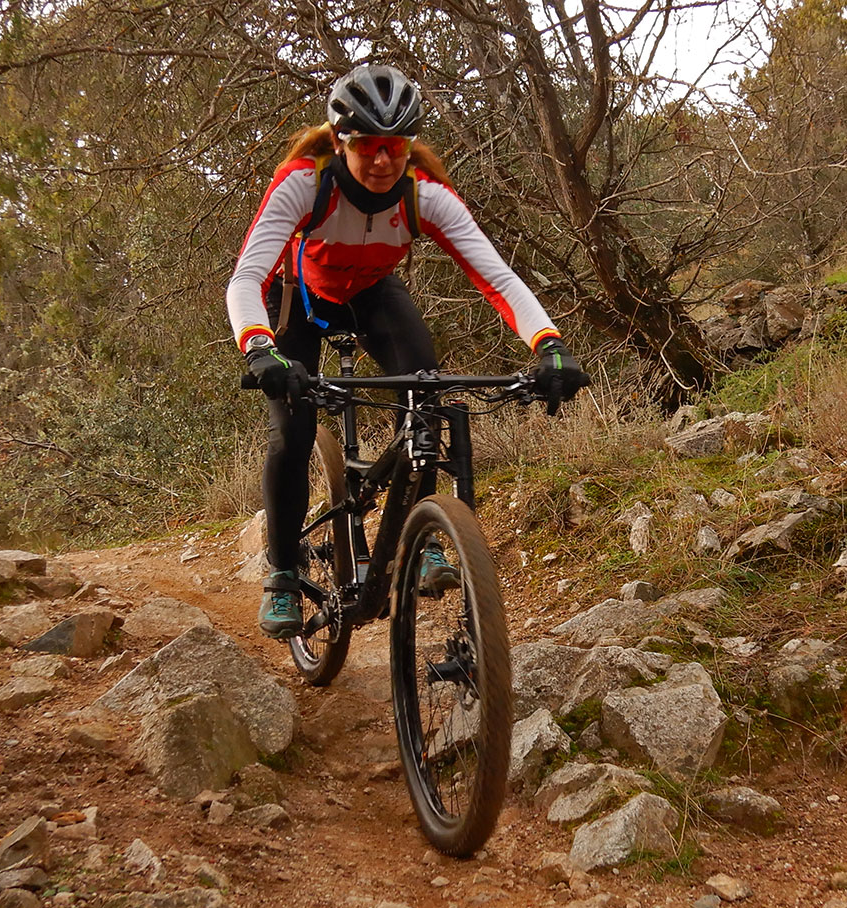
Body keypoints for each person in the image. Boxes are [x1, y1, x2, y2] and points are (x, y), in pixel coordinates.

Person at [227, 62, 588, 639]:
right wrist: (259, 349)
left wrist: (550, 345)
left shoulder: (425, 197)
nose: (380, 160)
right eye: (367, 145)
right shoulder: (305, 182)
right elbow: (246, 277)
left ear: (409, 145)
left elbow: (496, 277)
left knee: (429, 392)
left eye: (394, 146)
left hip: (369, 295)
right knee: (292, 429)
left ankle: (416, 538)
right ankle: (284, 575)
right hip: (296, 298)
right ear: (342, 141)